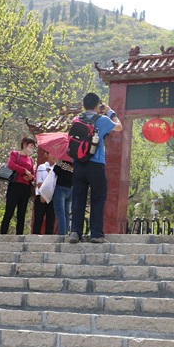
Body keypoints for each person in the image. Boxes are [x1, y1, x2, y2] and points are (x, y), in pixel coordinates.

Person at [68, 92, 123, 244]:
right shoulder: (102, 120)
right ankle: (96, 234)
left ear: (84, 105)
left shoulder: (76, 120)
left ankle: (75, 232)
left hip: (78, 164)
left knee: (78, 198)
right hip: (96, 164)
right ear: (98, 105)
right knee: (98, 198)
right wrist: (110, 112)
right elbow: (119, 127)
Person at [0, 137, 36, 235]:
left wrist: (30, 177)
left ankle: (19, 235)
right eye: (31, 146)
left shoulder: (31, 160)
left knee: (21, 213)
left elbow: (33, 175)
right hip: (14, 185)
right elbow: (11, 164)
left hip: (25, 188)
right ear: (25, 145)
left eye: (33, 147)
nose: (32, 148)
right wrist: (24, 171)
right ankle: (3, 233)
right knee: (9, 211)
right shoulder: (15, 154)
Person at [33, 153, 56, 234]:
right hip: (41, 196)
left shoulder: (58, 168)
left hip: (53, 197)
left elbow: (71, 170)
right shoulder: (42, 167)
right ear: (47, 155)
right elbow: (39, 182)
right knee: (38, 219)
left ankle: (49, 239)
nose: (54, 156)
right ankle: (35, 237)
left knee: (51, 221)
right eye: (52, 154)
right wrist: (43, 194)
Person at [52, 159, 73, 236]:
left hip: (60, 188)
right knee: (66, 213)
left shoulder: (61, 162)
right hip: (70, 189)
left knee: (60, 213)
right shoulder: (74, 162)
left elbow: (55, 171)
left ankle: (62, 234)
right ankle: (66, 233)